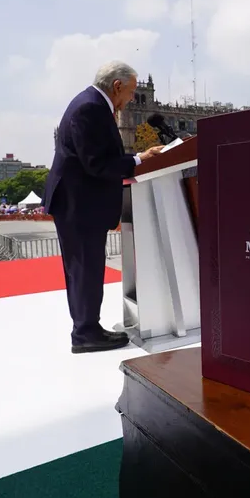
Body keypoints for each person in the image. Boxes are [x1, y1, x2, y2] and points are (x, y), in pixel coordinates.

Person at [42, 61, 163, 353]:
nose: (132, 99)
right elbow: (96, 163)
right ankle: (85, 334)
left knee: (87, 268)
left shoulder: (92, 104)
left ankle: (88, 328)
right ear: (117, 86)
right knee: (85, 269)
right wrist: (138, 159)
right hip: (78, 205)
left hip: (79, 203)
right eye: (132, 92)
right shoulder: (91, 108)